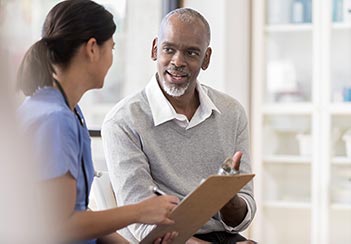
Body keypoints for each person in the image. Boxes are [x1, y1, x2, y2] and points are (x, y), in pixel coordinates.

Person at [16, 1, 179, 243]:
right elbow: (60, 225)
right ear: (92, 48)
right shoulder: (55, 120)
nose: (112, 58)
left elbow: (77, 214)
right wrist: (140, 212)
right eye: (112, 48)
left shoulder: (68, 111)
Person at [102, 7, 256, 244]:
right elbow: (142, 222)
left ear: (206, 59)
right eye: (169, 49)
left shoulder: (231, 112)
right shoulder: (123, 121)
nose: (177, 61)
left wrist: (226, 197)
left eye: (192, 53)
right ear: (155, 49)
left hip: (223, 236)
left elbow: (243, 216)